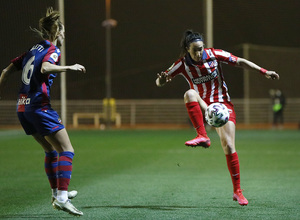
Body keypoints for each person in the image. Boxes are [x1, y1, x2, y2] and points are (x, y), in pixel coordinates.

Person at [156, 30, 279, 206]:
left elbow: (240, 61)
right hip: (204, 106)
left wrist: (263, 71)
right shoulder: (182, 64)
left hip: (223, 106)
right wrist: (161, 80)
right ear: (187, 49)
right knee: (189, 93)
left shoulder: (214, 54)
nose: (199, 53)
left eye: (201, 48)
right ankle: (202, 135)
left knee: (229, 146)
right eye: (195, 50)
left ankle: (237, 191)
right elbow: (161, 81)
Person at [0, 7, 86, 216]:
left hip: (23, 107)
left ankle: (56, 194)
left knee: (50, 150)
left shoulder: (34, 48)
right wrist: (70, 67)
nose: (64, 37)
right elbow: (45, 68)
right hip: (39, 107)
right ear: (57, 33)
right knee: (67, 150)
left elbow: (6, 69)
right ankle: (63, 198)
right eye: (63, 33)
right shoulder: (51, 49)